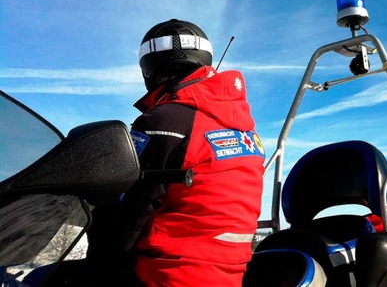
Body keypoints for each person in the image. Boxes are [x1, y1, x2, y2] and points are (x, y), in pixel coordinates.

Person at [88, 19, 265, 286]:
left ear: (148, 68)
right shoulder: (245, 130)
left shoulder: (163, 121)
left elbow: (132, 211)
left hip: (167, 273)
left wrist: (99, 264)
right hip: (231, 273)